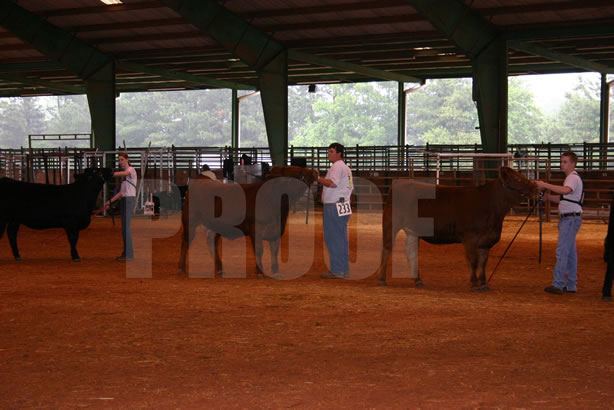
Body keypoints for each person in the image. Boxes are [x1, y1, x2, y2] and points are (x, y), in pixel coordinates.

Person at [535, 151, 583, 294]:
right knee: (570, 253)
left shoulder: (572, 178)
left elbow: (566, 191)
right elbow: (564, 198)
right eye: (561, 161)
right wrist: (548, 197)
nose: (562, 164)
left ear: (572, 164)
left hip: (570, 219)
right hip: (571, 218)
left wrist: (545, 184)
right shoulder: (572, 177)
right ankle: (571, 284)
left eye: (565, 162)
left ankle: (558, 283)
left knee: (562, 251)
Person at [317, 143, 353, 279]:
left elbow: (332, 183)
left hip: (334, 206)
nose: (329, 154)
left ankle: (338, 269)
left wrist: (317, 178)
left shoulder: (337, 166)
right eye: (328, 151)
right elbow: (350, 187)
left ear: (339, 153)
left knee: (333, 238)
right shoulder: (346, 168)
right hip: (343, 204)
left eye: (331, 151)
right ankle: (343, 268)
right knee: (341, 237)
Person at [106, 152, 137, 261]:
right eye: (119, 160)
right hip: (125, 200)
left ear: (127, 159)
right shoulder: (124, 178)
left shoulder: (131, 170)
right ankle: (126, 253)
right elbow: (121, 192)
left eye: (122, 159)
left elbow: (125, 173)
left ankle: (129, 254)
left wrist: (111, 174)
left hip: (129, 200)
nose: (120, 162)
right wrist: (110, 201)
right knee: (124, 228)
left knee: (126, 228)